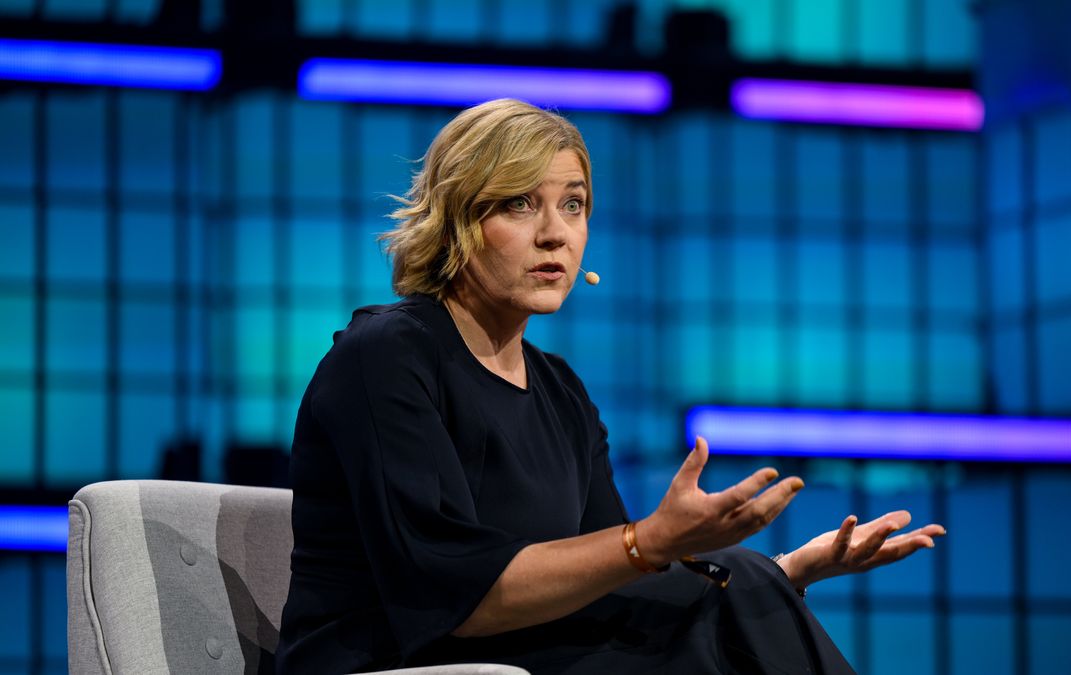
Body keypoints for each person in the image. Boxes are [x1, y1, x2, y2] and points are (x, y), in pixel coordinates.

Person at [275, 98, 945, 674]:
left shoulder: (560, 389)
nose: (555, 234)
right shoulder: (388, 358)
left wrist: (783, 568)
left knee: (738, 610)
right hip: (403, 659)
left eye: (573, 205)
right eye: (519, 203)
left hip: (529, 649)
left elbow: (611, 576)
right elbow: (454, 593)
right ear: (457, 220)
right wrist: (653, 542)